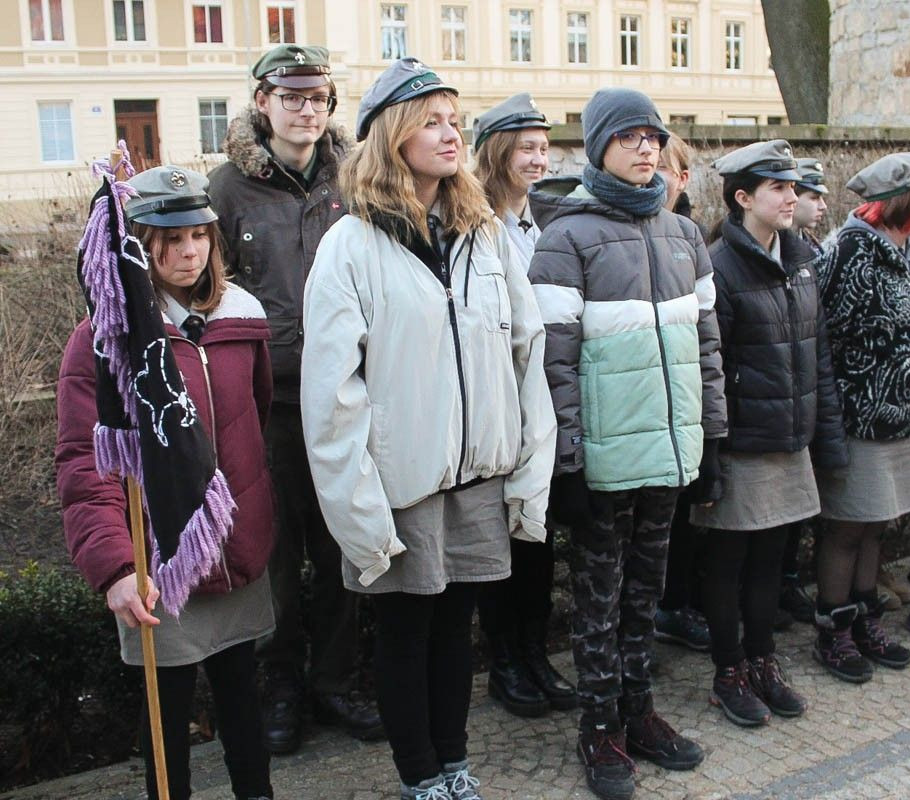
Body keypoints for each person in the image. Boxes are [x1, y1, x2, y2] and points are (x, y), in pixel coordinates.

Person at [300, 58, 555, 800]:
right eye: (431, 122)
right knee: (407, 633)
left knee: (456, 630)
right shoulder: (350, 245)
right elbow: (331, 396)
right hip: (402, 483)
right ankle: (420, 776)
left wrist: (527, 468)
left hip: (477, 476)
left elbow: (525, 351)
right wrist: (360, 511)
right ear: (393, 136)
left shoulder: (484, 234)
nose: (451, 135)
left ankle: (455, 763)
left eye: (454, 121)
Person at [528, 87, 726, 800]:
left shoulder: (682, 235)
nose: (646, 147)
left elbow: (706, 346)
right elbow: (551, 362)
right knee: (597, 598)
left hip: (668, 454)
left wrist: (712, 438)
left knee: (646, 592)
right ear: (598, 147)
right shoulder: (567, 238)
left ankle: (638, 710)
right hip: (604, 461)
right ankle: (599, 725)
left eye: (654, 136)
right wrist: (569, 463)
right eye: (629, 136)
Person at [57, 166, 275, 800]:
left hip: (236, 553)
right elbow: (88, 461)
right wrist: (116, 568)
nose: (189, 252)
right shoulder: (107, 341)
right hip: (161, 566)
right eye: (169, 239)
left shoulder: (241, 317)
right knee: (165, 727)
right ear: (139, 247)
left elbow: (255, 422)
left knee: (245, 710)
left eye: (199, 235)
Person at [206, 44, 378, 752]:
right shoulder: (226, 190)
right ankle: (280, 683)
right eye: (292, 97)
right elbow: (207, 289)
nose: (307, 110)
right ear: (262, 103)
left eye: (318, 98)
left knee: (344, 543)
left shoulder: (355, 178)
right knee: (274, 552)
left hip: (345, 396)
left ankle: (336, 680)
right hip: (266, 402)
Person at [696, 140, 845, 727]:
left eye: (793, 187)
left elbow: (818, 353)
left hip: (790, 439)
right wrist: (710, 456)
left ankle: (762, 660)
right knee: (728, 564)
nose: (791, 197)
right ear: (742, 198)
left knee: (771, 562)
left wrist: (825, 437)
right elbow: (708, 367)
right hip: (742, 444)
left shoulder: (801, 258)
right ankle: (728, 669)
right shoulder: (718, 266)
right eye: (778, 188)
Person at [812, 151, 910, 682]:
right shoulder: (851, 251)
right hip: (860, 420)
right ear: (903, 202)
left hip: (900, 423)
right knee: (847, 528)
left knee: (876, 527)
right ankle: (833, 628)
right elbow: (827, 335)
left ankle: (865, 617)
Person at [470, 92, 577, 718]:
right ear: (497, 153)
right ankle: (506, 661)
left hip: (542, 397)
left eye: (543, 148)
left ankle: (535, 654)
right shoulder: (474, 223)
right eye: (526, 148)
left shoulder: (544, 223)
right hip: (498, 399)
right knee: (501, 540)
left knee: (538, 538)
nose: (539, 159)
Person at [655, 134, 714, 655]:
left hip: (688, 411)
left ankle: (676, 606)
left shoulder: (690, 237)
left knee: (686, 524)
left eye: (665, 167)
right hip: (646, 416)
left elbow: (708, 340)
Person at [776, 157, 830, 626]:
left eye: (804, 193)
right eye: (812, 194)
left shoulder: (806, 253)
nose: (811, 203)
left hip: (802, 407)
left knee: (794, 517)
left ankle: (786, 581)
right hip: (769, 415)